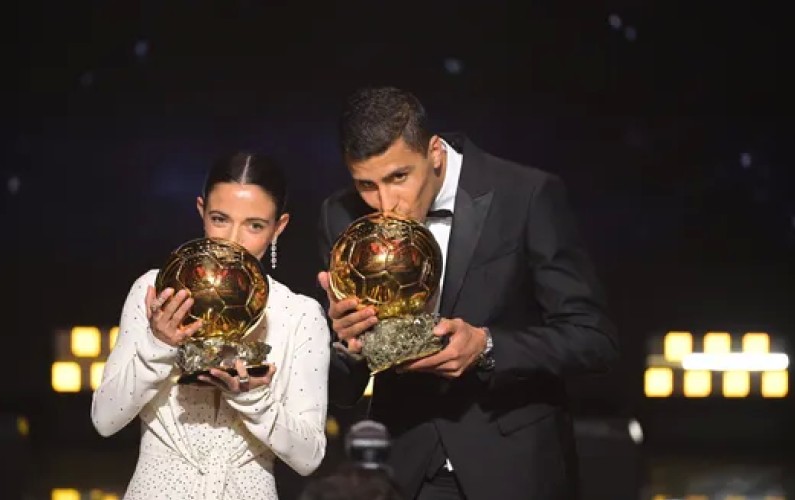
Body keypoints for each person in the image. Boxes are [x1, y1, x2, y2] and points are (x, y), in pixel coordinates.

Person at [315, 87, 620, 500]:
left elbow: (593, 339)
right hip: (403, 473)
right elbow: (344, 387)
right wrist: (347, 345)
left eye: (399, 177)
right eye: (367, 184)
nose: (386, 203)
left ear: (435, 152)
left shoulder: (526, 194)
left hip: (513, 469)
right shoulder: (343, 216)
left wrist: (487, 346)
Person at [92, 151, 331, 499]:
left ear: (278, 228)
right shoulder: (155, 292)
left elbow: (309, 457)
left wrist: (252, 397)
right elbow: (105, 419)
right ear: (201, 211)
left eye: (254, 225)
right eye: (220, 219)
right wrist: (158, 345)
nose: (233, 240)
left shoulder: (299, 315)